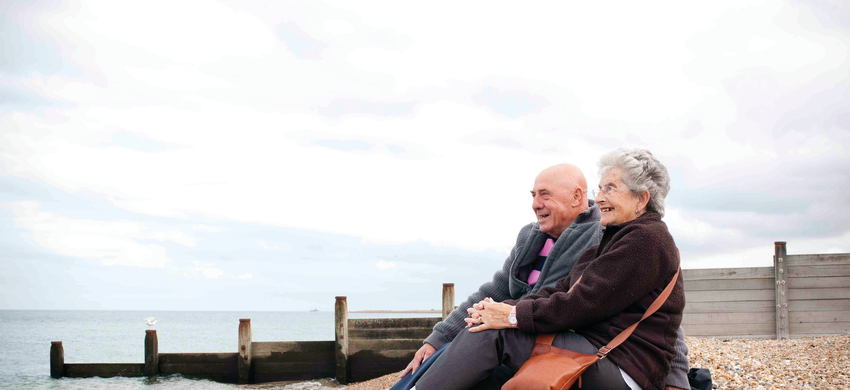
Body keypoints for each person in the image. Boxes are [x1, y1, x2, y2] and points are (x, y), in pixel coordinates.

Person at [399, 162, 690, 390]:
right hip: (568, 343)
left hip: (608, 360)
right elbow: (509, 290)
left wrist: (677, 378)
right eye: (534, 195)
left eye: (545, 195)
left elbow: (664, 316)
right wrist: (440, 336)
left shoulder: (628, 239)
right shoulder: (539, 238)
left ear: (641, 199)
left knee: (492, 334)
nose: (535, 203)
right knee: (479, 330)